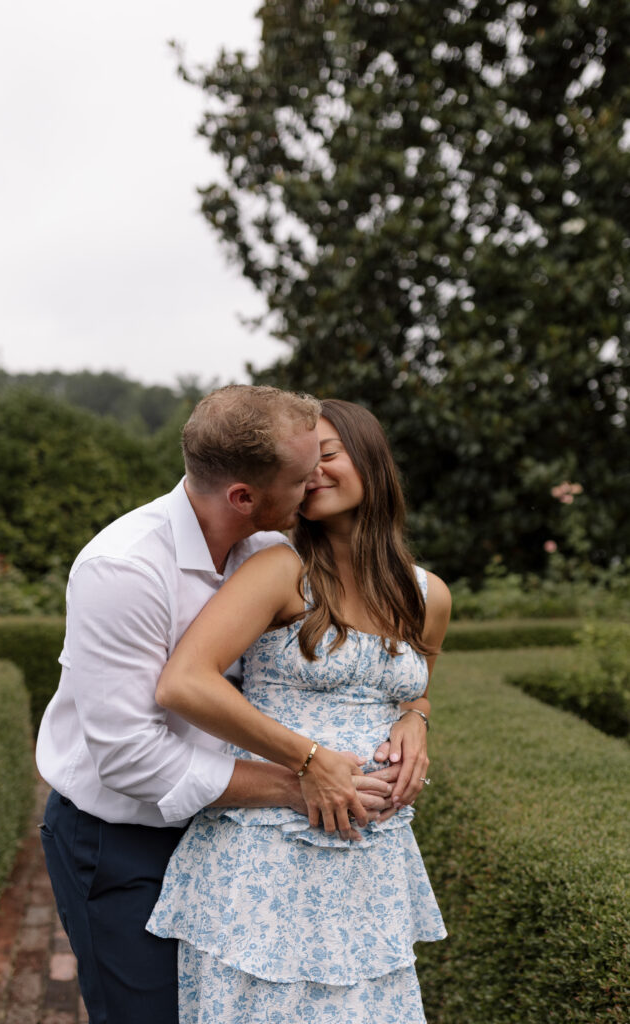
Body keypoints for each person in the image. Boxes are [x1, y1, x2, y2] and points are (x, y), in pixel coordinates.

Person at [35, 385, 417, 1024]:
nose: (313, 486)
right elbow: (130, 758)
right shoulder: (123, 568)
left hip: (225, 837)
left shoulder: (267, 549)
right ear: (244, 496)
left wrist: (414, 713)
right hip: (120, 839)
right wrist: (301, 776)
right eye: (302, 478)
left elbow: (380, 664)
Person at [147, 399, 451, 1024]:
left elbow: (412, 687)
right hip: (267, 856)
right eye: (305, 461)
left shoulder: (427, 595)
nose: (314, 471)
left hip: (371, 862)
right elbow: (185, 682)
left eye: (329, 454)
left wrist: (416, 718)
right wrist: (308, 759)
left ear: (371, 460)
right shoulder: (279, 569)